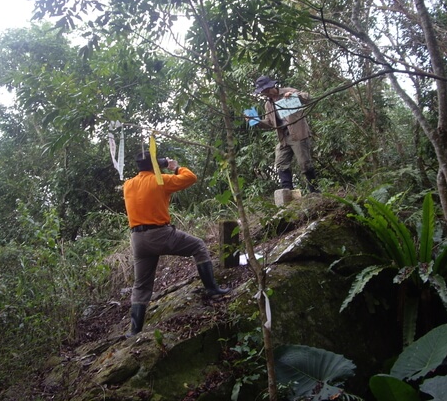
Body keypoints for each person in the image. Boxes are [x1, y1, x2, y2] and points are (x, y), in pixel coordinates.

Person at [122, 150, 230, 337]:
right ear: (156, 164)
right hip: (160, 234)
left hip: (138, 240)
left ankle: (134, 330)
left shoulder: (128, 185)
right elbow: (190, 177)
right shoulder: (160, 180)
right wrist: (174, 166)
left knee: (141, 284)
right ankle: (212, 289)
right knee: (198, 246)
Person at [249, 75, 319, 193]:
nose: (265, 94)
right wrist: (256, 121)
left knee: (305, 164)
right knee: (281, 163)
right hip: (283, 137)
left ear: (271, 86)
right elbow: (270, 123)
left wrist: (295, 96)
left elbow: (307, 97)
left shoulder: (288, 91)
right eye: (263, 92)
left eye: (266, 90)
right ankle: (287, 191)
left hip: (298, 133)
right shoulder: (268, 104)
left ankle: (315, 191)